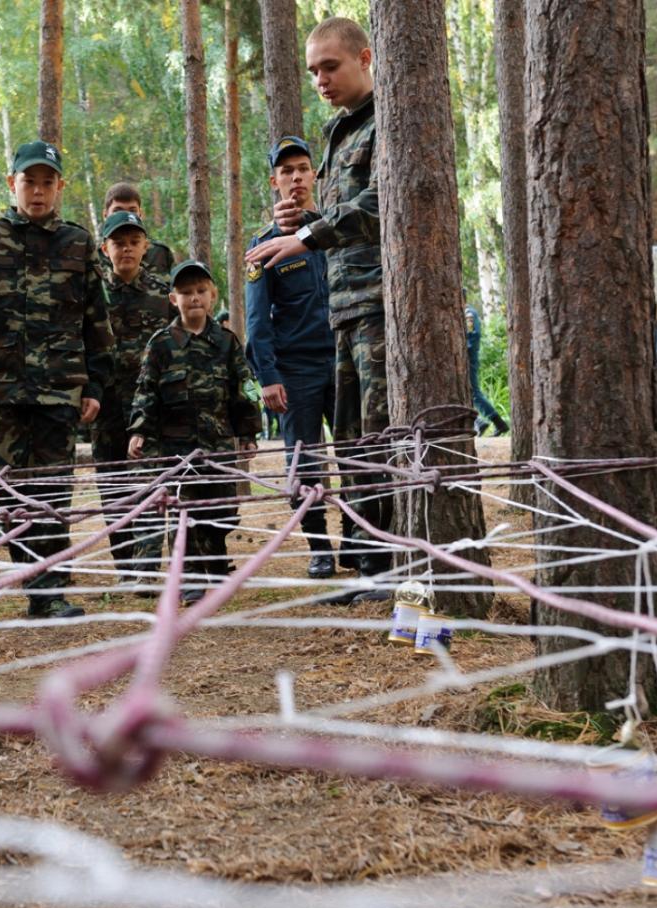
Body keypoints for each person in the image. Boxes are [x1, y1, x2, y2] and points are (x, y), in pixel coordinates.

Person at [244, 17, 391, 603]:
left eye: (330, 67)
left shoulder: (389, 119)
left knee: (381, 439)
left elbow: (380, 203)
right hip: (343, 314)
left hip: (381, 306)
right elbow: (339, 216)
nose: (321, 80)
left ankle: (397, 566)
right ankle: (371, 566)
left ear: (365, 57)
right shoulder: (336, 133)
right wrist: (302, 224)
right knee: (352, 446)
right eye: (313, 72)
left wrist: (306, 235)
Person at [0, 140, 113, 619]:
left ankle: (48, 591)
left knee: (53, 491)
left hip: (59, 390)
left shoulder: (79, 243)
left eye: (47, 182)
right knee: (5, 489)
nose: (38, 191)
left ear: (60, 186)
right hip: (0, 389)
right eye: (30, 182)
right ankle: (33, 573)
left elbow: (96, 322)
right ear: (13, 184)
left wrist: (95, 385)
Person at [128, 260, 260, 606]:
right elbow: (146, 390)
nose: (194, 298)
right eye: (186, 293)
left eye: (201, 291)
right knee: (183, 511)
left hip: (218, 444)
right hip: (176, 444)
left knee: (221, 510)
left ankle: (215, 565)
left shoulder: (226, 342)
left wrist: (248, 432)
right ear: (174, 299)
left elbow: (245, 388)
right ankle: (188, 579)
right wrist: (139, 430)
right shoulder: (161, 344)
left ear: (212, 295)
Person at [245, 135, 338, 580]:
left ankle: (361, 544)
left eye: (302, 168)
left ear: (314, 174)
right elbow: (256, 319)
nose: (296, 177)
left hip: (344, 360)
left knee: (358, 453)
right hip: (296, 369)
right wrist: (267, 376)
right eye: (287, 171)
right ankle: (320, 547)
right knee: (303, 460)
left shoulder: (334, 231)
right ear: (274, 181)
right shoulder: (264, 246)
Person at [93, 209, 175, 583]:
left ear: (145, 247)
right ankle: (125, 565)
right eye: (118, 243)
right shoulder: (93, 294)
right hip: (106, 406)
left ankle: (146, 566)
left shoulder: (163, 293)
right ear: (104, 249)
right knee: (112, 485)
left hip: (150, 408)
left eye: (133, 242)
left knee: (150, 482)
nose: (126, 249)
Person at [97, 182, 176, 278]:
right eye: (118, 210)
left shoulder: (159, 253)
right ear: (105, 215)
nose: (125, 216)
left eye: (132, 211)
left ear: (140, 214)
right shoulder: (93, 255)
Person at [463, 302, 508, 436]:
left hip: (468, 358)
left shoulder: (469, 313)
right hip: (466, 358)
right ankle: (478, 422)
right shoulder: (465, 313)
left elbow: (473, 336)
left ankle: (498, 423)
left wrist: (465, 351)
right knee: (466, 392)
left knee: (474, 393)